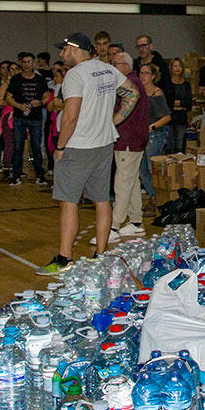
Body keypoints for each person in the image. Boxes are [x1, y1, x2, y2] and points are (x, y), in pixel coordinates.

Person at [39, 33, 139, 276]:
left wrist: (60, 147)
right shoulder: (106, 70)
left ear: (75, 49)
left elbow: (71, 116)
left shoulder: (75, 75)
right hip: (104, 144)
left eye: (64, 50)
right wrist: (112, 122)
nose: (61, 55)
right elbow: (132, 93)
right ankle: (101, 255)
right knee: (102, 200)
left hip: (78, 146)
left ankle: (64, 259)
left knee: (68, 202)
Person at [110, 51, 148, 240]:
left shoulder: (129, 84)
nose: (112, 67)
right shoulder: (133, 82)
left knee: (122, 182)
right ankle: (136, 222)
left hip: (129, 139)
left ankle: (114, 226)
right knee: (131, 181)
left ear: (125, 66)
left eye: (114, 63)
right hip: (132, 139)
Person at [5, 52, 50, 186]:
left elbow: (47, 96)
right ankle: (16, 175)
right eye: (24, 62)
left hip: (35, 118)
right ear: (20, 63)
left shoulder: (40, 80)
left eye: (29, 61)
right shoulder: (16, 79)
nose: (27, 64)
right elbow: (8, 98)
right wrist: (19, 106)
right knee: (18, 147)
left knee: (36, 147)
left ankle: (40, 175)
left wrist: (41, 103)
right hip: (19, 118)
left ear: (34, 63)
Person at [138, 63, 171, 209]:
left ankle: (158, 198)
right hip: (140, 134)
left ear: (152, 76)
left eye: (146, 73)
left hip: (154, 134)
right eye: (141, 73)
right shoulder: (138, 92)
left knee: (153, 168)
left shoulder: (157, 94)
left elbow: (166, 117)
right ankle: (153, 196)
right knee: (142, 169)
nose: (143, 76)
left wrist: (152, 127)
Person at [165, 58, 192, 154]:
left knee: (179, 145)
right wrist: (177, 104)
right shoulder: (167, 84)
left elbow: (188, 103)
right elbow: (167, 101)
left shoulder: (186, 84)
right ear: (171, 68)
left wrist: (178, 103)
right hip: (169, 117)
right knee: (169, 144)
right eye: (175, 66)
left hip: (181, 117)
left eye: (179, 66)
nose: (177, 68)